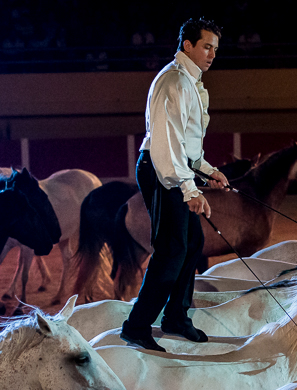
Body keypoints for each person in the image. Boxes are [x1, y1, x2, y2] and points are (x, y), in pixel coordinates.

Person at [120, 18, 230, 352]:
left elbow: (186, 144)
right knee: (172, 249)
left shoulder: (190, 81)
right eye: (206, 46)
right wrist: (190, 190)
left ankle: (176, 317)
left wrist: (207, 170)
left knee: (193, 241)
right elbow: (166, 145)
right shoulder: (173, 82)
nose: (212, 54)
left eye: (215, 48)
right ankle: (137, 326)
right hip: (161, 169)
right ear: (187, 45)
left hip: (175, 166)